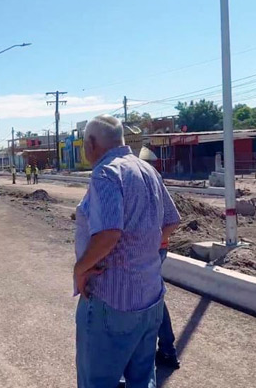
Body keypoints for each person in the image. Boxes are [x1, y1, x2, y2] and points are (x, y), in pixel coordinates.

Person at [73, 115, 180, 388]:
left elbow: (109, 233)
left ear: (92, 143)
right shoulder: (147, 170)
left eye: (85, 144)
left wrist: (81, 269)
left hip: (112, 301)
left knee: (98, 381)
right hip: (150, 297)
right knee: (142, 380)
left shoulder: (106, 173)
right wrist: (142, 252)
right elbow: (171, 221)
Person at [156, 223, 181, 370]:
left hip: (150, 248)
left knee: (153, 298)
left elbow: (173, 220)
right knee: (154, 297)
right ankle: (167, 349)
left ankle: (167, 349)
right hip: (153, 247)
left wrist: (151, 242)